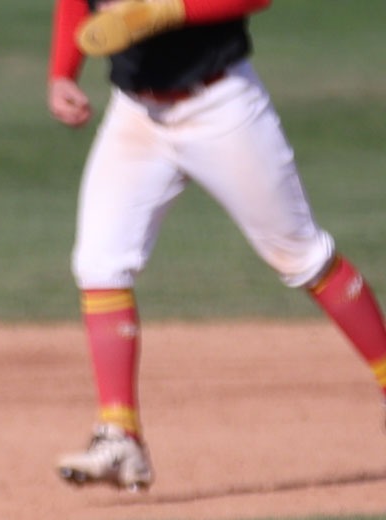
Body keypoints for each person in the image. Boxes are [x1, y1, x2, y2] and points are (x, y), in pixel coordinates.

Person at [50, 0, 386, 491]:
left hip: (222, 107)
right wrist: (62, 74)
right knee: (100, 263)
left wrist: (166, 10)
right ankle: (120, 437)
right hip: (137, 113)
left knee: (302, 256)